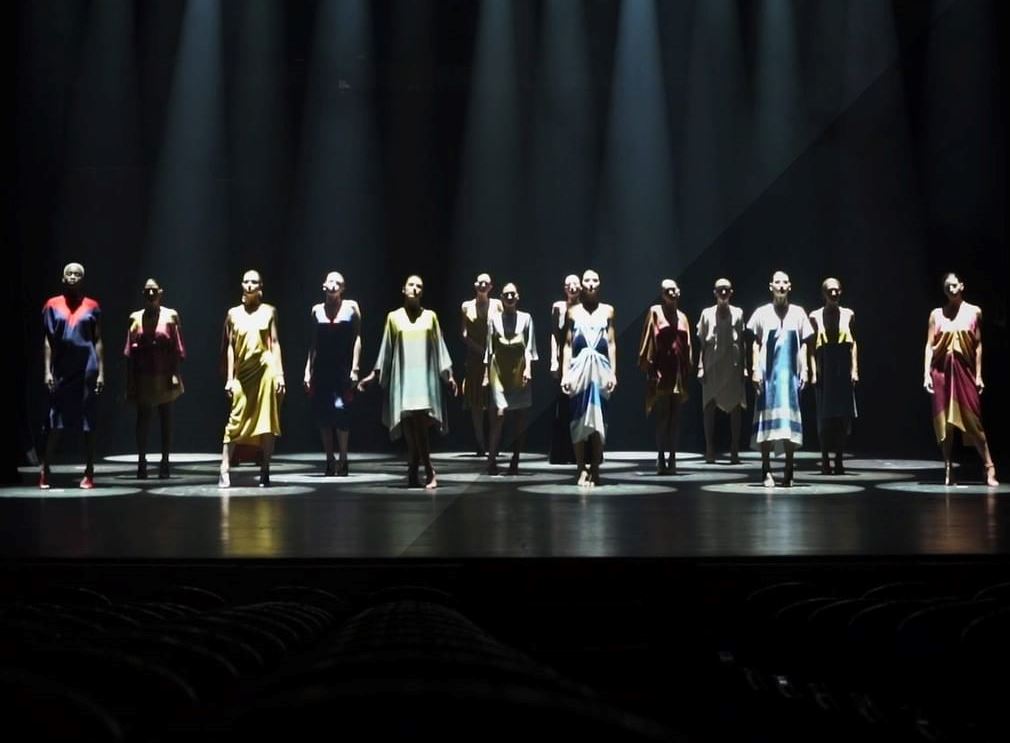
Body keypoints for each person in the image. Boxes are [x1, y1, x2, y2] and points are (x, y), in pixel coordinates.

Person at [358, 275, 457, 489]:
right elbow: (386, 349)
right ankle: (413, 470)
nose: (415, 288)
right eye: (411, 285)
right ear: (403, 289)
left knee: (420, 421)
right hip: (404, 378)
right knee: (410, 426)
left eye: (419, 286)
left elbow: (439, 346)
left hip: (424, 379)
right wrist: (373, 376)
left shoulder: (430, 317)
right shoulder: (394, 318)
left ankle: (428, 470)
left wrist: (448, 376)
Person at [924, 272, 998, 486]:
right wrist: (926, 373)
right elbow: (929, 345)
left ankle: (989, 466)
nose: (951, 289)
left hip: (965, 372)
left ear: (962, 286)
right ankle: (948, 467)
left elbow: (978, 345)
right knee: (945, 423)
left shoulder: (974, 312)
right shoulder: (936, 314)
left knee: (973, 421)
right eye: (947, 286)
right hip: (941, 372)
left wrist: (979, 375)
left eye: (954, 285)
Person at [39, 262, 105, 489]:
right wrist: (47, 370)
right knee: (55, 420)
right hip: (62, 368)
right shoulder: (52, 305)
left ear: (83, 279)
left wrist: (101, 373)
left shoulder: (92, 306)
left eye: (78, 274)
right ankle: (45, 469)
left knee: (88, 420)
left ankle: (90, 471)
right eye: (70, 273)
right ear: (63, 278)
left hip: (87, 367)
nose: (73, 277)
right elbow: (48, 340)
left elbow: (98, 340)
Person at [217, 270, 285, 488]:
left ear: (260, 286)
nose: (249, 285)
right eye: (246, 281)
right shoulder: (233, 314)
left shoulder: (269, 311)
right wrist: (230, 378)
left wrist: (280, 375)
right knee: (235, 421)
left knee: (267, 421)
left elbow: (274, 342)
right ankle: (224, 468)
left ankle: (265, 468)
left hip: (265, 370)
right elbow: (230, 347)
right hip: (243, 373)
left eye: (254, 282)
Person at [747, 270, 814, 487]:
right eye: (778, 282)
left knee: (789, 424)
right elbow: (756, 343)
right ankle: (766, 469)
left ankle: (789, 468)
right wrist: (755, 369)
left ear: (790, 286)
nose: (781, 286)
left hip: (789, 377)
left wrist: (805, 369)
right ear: (771, 286)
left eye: (785, 282)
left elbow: (804, 344)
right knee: (766, 423)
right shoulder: (762, 313)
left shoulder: (798, 313)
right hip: (768, 376)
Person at [124, 278, 186, 479]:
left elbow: (177, 348)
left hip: (165, 374)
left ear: (160, 292)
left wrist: (175, 374)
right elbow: (129, 353)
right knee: (143, 419)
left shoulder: (171, 316)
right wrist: (130, 381)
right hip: (143, 375)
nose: (151, 294)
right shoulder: (135, 318)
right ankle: (141, 461)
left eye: (154, 290)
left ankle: (165, 461)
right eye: (147, 291)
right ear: (143, 294)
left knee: (166, 418)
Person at [561, 270, 617, 486]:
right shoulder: (573, 312)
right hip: (579, 370)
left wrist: (612, 372)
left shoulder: (608, 310)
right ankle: (580, 468)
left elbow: (611, 343)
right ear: (582, 284)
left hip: (600, 370)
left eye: (595, 280)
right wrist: (565, 374)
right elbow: (567, 344)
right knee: (578, 419)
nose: (591, 284)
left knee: (599, 419)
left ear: (600, 284)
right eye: (587, 280)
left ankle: (595, 467)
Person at [303, 271, 361, 476]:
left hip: (342, 368)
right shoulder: (316, 310)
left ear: (343, 288)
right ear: (324, 285)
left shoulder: (351, 307)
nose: (334, 285)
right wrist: (307, 371)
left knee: (341, 411)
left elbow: (357, 338)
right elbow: (313, 343)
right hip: (322, 369)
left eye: (338, 282)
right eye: (331, 281)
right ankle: (329, 459)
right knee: (324, 415)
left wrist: (355, 368)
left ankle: (343, 458)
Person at [638, 279, 691, 474]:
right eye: (668, 290)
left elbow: (687, 346)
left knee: (675, 417)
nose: (672, 293)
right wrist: (650, 369)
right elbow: (648, 341)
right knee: (663, 415)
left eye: (674, 289)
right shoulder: (655, 312)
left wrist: (687, 370)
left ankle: (672, 457)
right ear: (662, 294)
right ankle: (661, 456)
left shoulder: (683, 317)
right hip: (661, 371)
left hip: (677, 372)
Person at [484, 282, 538, 475]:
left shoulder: (526, 318)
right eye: (506, 294)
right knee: (499, 414)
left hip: (518, 370)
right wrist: (485, 375)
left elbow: (529, 348)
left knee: (520, 417)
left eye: (512, 294)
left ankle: (515, 459)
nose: (509, 297)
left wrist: (528, 370)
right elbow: (489, 348)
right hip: (498, 371)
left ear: (517, 297)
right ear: (501, 297)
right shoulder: (494, 319)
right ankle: (491, 460)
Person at [809, 278, 858, 475]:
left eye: (837, 290)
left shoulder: (848, 314)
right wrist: (813, 371)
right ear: (824, 293)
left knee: (842, 417)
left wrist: (855, 369)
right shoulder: (815, 316)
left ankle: (839, 457)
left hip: (842, 370)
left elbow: (853, 344)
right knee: (824, 417)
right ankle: (824, 458)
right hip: (825, 370)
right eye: (830, 291)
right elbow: (811, 347)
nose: (834, 293)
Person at [696, 278, 747, 464]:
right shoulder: (706, 313)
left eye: (726, 289)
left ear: (731, 292)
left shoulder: (738, 313)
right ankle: (710, 448)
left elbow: (742, 341)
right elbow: (702, 343)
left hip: (732, 364)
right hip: (712, 364)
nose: (723, 293)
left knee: (736, 406)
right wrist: (700, 366)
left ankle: (734, 448)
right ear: (715, 293)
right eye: (720, 290)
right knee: (709, 405)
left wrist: (745, 367)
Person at [460, 273, 502, 457]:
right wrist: (479, 349)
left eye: (486, 283)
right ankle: (480, 442)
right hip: (474, 358)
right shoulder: (466, 306)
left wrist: (491, 350)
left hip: (493, 357)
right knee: (476, 402)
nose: (483, 285)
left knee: (493, 401)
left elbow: (502, 328)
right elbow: (463, 333)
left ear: (491, 286)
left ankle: (493, 443)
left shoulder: (497, 305)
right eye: (480, 282)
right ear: (475, 284)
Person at [549, 274, 582, 464]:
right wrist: (553, 360)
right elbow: (554, 335)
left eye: (575, 284)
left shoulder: (585, 309)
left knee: (580, 405)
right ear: (564, 288)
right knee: (563, 406)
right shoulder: (558, 307)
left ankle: (579, 453)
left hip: (580, 359)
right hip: (564, 361)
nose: (572, 287)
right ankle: (561, 453)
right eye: (569, 285)